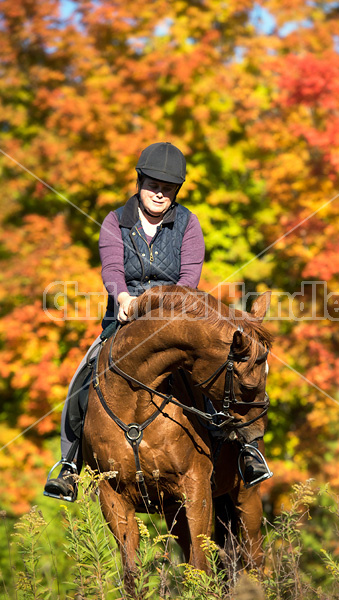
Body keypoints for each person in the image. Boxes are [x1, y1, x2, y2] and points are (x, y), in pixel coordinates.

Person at [44, 142, 270, 502]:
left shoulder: (188, 223)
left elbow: (188, 280)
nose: (159, 193)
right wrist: (123, 299)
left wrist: (165, 311)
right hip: (123, 317)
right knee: (83, 377)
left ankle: (244, 450)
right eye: (153, 185)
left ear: (176, 191)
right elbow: (112, 269)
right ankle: (69, 466)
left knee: (214, 372)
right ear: (139, 182)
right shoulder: (115, 221)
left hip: (174, 321)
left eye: (167, 188)